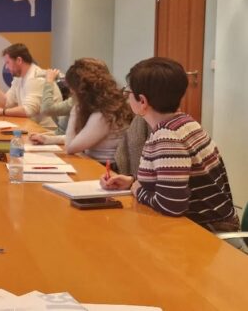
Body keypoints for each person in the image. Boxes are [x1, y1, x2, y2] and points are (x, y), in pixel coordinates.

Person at [101, 57, 238, 233]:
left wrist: (138, 190)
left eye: (128, 92)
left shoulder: (167, 138)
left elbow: (172, 206)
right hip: (206, 224)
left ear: (142, 101)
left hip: (206, 231)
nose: (126, 97)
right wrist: (132, 182)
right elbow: (174, 182)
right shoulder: (185, 122)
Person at [29, 58, 133, 164]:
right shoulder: (106, 106)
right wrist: (48, 140)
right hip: (96, 163)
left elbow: (70, 147)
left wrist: (75, 110)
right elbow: (80, 139)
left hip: (105, 167)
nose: (71, 92)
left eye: (72, 88)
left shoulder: (102, 115)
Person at [0, 43, 61, 127]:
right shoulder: (19, 78)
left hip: (47, 130)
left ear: (19, 60)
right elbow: (7, 102)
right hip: (33, 128)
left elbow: (28, 111)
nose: (6, 67)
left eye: (8, 62)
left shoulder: (36, 77)